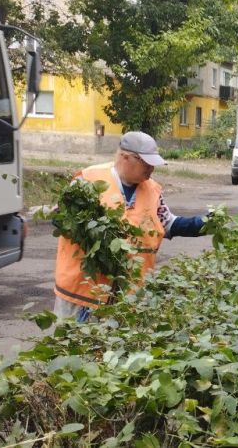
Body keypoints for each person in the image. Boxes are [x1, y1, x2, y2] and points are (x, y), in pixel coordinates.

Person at [53, 131, 207, 321]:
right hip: (82, 294)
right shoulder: (87, 181)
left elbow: (168, 223)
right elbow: (59, 218)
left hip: (126, 298)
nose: (152, 168)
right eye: (146, 162)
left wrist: (206, 223)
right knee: (74, 346)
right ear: (126, 157)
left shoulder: (152, 189)